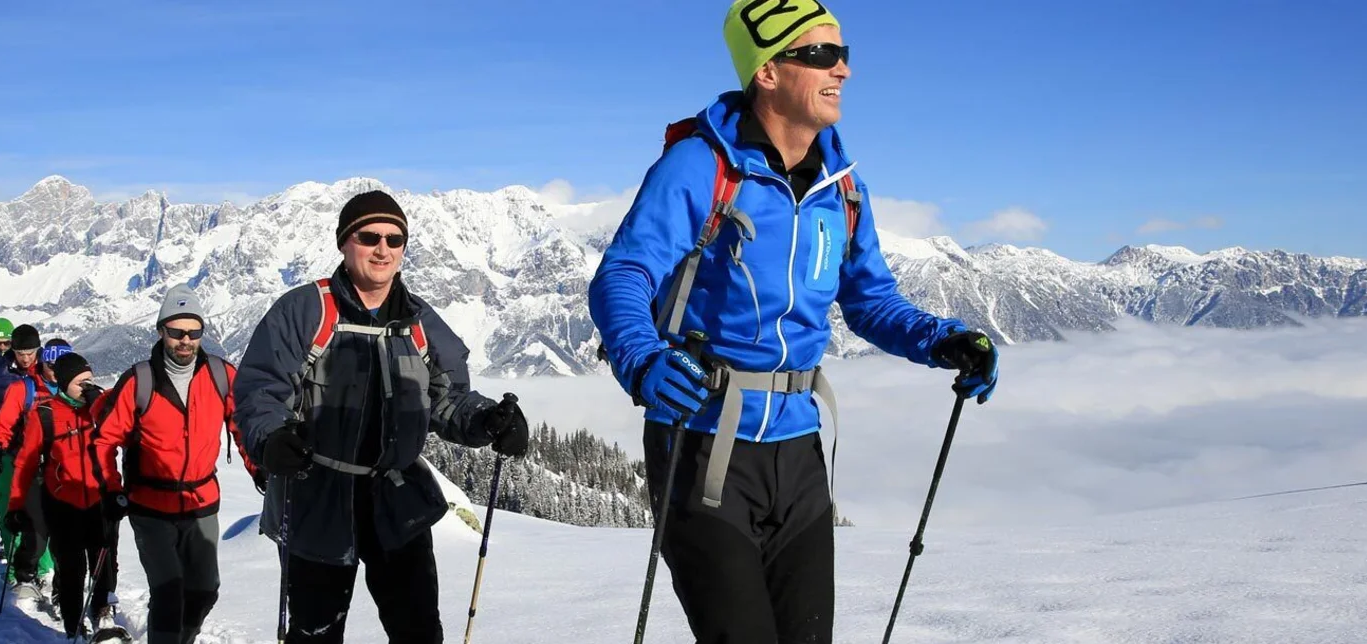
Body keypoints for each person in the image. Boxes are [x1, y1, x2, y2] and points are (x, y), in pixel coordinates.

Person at [586, 2, 1000, 641]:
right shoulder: (702, 166)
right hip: (703, 442)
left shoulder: (844, 186)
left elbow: (869, 301)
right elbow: (624, 274)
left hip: (800, 451)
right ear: (769, 73)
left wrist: (942, 340)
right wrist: (641, 359)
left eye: (844, 54)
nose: (843, 70)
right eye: (820, 55)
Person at [234, 190, 530, 644]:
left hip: (398, 499)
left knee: (418, 632)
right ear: (344, 243)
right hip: (317, 498)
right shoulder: (306, 310)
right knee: (316, 633)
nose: (383, 249)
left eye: (395, 239)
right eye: (369, 236)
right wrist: (272, 437)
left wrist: (489, 420)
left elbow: (448, 399)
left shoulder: (420, 322)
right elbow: (260, 388)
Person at [91, 283, 260, 644]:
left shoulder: (220, 375)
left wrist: (259, 468)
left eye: (194, 332)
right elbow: (104, 440)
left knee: (205, 590)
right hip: (150, 507)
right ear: (161, 331)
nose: (185, 340)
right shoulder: (140, 380)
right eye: (176, 332)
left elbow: (243, 427)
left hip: (201, 505)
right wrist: (111, 488)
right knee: (168, 591)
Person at [6, 350, 123, 641]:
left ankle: (103, 615)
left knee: (105, 563)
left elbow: (125, 402)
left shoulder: (100, 409)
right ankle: (74, 626)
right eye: (80, 383)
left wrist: (117, 492)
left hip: (99, 500)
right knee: (72, 568)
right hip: (62, 503)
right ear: (65, 382)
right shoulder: (45, 415)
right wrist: (16, 505)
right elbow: (26, 463)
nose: (87, 388)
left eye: (90, 381)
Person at [0, 337, 76, 603]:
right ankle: (25, 574)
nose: (57, 369)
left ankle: (64, 584)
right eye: (52, 364)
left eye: (63, 364)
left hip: (66, 473)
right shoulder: (24, 388)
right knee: (36, 531)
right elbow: (3, 423)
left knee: (66, 535)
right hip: (33, 468)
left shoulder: (75, 391)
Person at [0, 324, 56, 586]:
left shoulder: (49, 369)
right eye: (21, 352)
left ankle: (43, 568)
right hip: (10, 449)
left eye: (31, 352)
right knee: (9, 510)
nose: (26, 358)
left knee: (41, 513)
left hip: (43, 455)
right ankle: (15, 567)